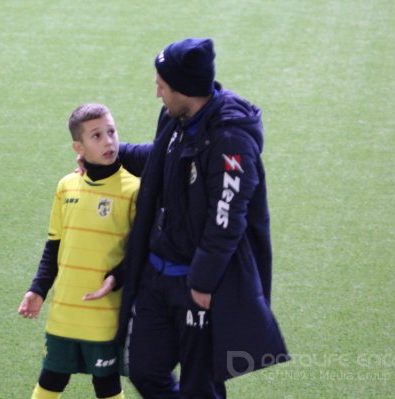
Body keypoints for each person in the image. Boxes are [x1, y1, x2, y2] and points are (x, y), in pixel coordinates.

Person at [114, 38, 290, 398]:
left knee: (201, 387)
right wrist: (113, 154)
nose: (157, 92)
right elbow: (164, 156)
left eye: (162, 85)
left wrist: (202, 282)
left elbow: (226, 220)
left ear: (186, 89)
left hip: (198, 289)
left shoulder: (231, 142)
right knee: (144, 370)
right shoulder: (177, 116)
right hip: (156, 275)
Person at [18, 103, 139, 399]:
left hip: (105, 314)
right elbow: (54, 246)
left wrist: (117, 278)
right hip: (65, 312)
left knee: (107, 384)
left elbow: (140, 251)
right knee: (51, 378)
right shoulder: (66, 186)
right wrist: (38, 289)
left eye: (111, 132)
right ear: (78, 146)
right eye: (96, 136)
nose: (109, 141)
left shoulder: (134, 189)